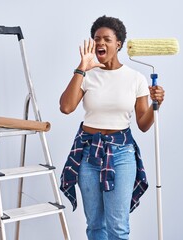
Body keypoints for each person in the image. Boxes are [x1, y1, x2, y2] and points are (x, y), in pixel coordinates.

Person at [59, 15, 165, 240]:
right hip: (88, 154)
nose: (100, 43)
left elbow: (143, 125)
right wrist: (81, 68)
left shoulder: (135, 78)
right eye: (96, 39)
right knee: (95, 225)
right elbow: (66, 107)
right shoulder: (87, 75)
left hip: (121, 155)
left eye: (107, 39)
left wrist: (156, 104)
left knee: (118, 227)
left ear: (118, 44)